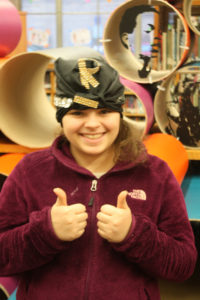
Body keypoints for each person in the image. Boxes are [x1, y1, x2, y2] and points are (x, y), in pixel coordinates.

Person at [0, 54, 197, 300]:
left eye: (104, 111)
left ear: (119, 114)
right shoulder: (29, 172)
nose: (92, 124)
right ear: (62, 117)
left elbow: (183, 265)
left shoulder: (155, 174)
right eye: (78, 113)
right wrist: (46, 232)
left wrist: (134, 234)